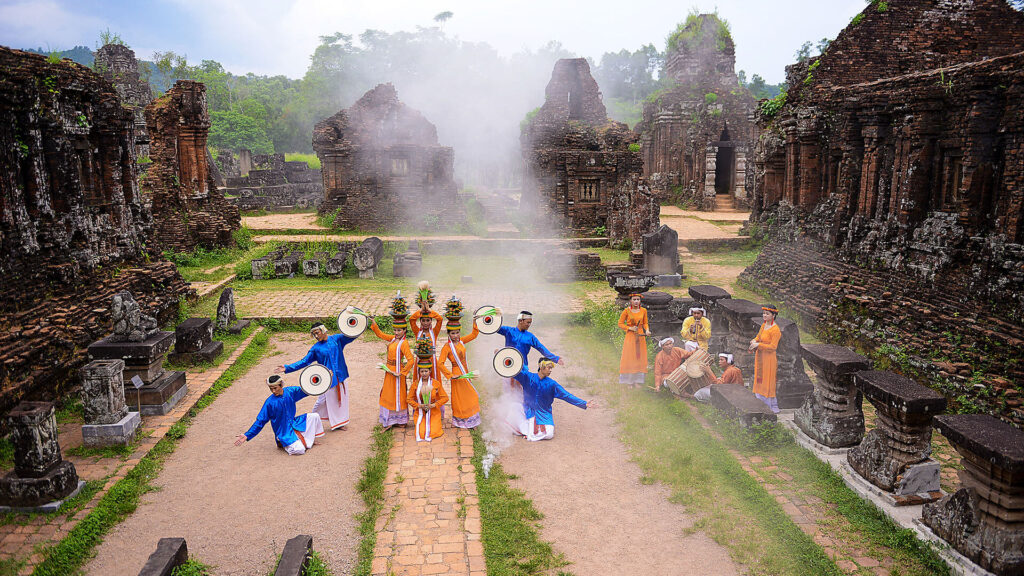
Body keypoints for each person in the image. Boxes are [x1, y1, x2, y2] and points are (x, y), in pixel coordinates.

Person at [492, 310, 563, 434]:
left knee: (522, 393)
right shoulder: (509, 331)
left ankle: (520, 417)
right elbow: (493, 326)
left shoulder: (530, 337)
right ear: (520, 321)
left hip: (523, 369)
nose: (529, 325)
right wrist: (484, 316)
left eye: (531, 323)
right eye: (528, 322)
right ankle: (508, 418)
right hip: (508, 367)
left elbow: (541, 348)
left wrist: (555, 358)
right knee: (508, 391)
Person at [276, 323, 354, 431]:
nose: (316, 336)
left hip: (340, 376)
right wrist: (288, 368)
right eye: (314, 334)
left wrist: (357, 323)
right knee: (321, 401)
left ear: (323, 330)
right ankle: (311, 420)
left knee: (341, 400)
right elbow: (304, 361)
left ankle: (340, 422)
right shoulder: (316, 348)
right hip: (327, 379)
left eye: (317, 333)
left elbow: (351, 335)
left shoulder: (337, 339)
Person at [234, 375, 324, 455]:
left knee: (314, 416)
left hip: (294, 423)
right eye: (271, 389)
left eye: (275, 388)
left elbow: (307, 389)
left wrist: (324, 378)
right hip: (283, 432)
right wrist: (247, 435)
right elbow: (260, 421)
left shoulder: (290, 392)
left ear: (281, 385)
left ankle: (307, 440)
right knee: (300, 450)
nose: (273, 391)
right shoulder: (269, 403)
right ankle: (282, 442)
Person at [513, 358, 591, 441]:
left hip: (544, 413)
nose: (550, 370)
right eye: (549, 368)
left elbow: (567, 395)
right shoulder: (528, 377)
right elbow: (511, 370)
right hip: (527, 410)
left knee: (549, 434)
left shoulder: (552, 384)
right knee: (513, 407)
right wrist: (500, 356)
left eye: (551, 368)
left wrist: (584, 403)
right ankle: (529, 431)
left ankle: (529, 433)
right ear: (542, 367)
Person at [370, 292, 416, 429]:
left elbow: (411, 360)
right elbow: (379, 334)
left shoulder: (404, 343)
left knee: (399, 395)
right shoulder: (392, 339)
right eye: (395, 330)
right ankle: (389, 419)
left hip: (397, 373)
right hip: (389, 372)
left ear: (404, 330)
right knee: (388, 394)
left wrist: (402, 372)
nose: (396, 332)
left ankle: (401, 420)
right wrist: (373, 322)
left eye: (399, 330)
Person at [436, 297, 482, 429]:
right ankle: (460, 420)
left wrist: (474, 320)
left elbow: (474, 334)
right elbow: (440, 363)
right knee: (459, 398)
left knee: (471, 395)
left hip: (465, 372)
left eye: (457, 332)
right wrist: (450, 375)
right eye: (453, 333)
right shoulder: (447, 347)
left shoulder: (461, 341)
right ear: (448, 334)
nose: (455, 335)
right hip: (457, 375)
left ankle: (471, 420)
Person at [407, 339, 449, 442]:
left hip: (433, 411)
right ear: (419, 372)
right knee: (421, 433)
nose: (424, 373)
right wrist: (419, 405)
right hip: (420, 411)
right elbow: (408, 399)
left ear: (430, 371)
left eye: (426, 371)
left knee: (433, 432)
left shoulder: (435, 383)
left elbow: (445, 398)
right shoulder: (415, 384)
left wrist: (433, 405)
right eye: (422, 371)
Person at [409, 280, 443, 381]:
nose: (425, 323)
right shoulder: (417, 331)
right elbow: (411, 319)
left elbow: (440, 319)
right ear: (420, 322)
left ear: (431, 321)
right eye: (423, 320)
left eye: (428, 320)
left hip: (432, 359)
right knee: (419, 380)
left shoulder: (434, 332)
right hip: (420, 360)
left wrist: (430, 311)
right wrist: (420, 311)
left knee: (434, 379)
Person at [751, 306, 782, 413]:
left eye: (767, 314)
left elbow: (773, 347)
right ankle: (759, 401)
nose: (765, 315)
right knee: (759, 378)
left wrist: (758, 345)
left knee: (767, 380)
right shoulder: (764, 325)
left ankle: (769, 405)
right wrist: (754, 341)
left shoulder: (775, 330)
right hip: (760, 357)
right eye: (764, 313)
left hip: (769, 359)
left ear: (773, 316)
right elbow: (758, 337)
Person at [618, 294, 651, 388]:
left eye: (638, 299)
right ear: (630, 301)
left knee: (640, 357)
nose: (636, 301)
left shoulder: (644, 310)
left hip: (640, 336)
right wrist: (630, 328)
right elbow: (620, 324)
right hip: (631, 336)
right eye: (634, 299)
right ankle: (629, 381)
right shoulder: (626, 311)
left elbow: (645, 323)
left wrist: (647, 330)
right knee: (630, 357)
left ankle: (637, 380)